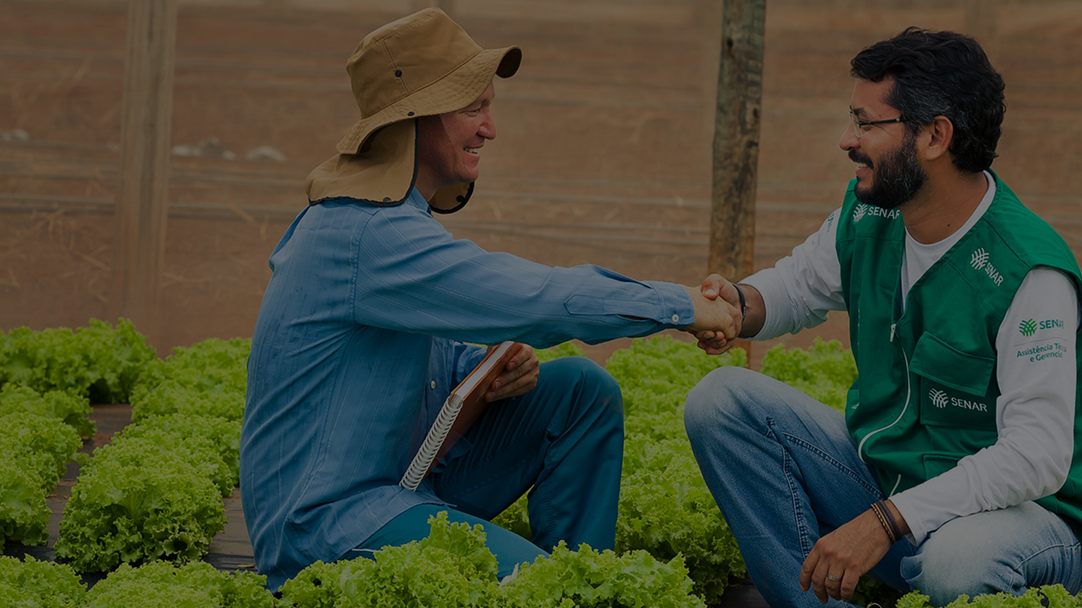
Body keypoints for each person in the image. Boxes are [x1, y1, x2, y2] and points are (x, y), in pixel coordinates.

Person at [240, 9, 740, 591]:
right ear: (415, 118)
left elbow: (412, 363)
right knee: (537, 585)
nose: (490, 128)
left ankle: (585, 582)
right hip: (326, 524)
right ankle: (558, 591)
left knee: (579, 392)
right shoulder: (363, 234)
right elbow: (538, 299)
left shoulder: (391, 220)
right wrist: (677, 304)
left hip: (400, 482)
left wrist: (485, 370)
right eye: (473, 108)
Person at [684, 28, 1082, 607]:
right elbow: (797, 285)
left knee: (955, 565)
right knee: (721, 402)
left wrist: (886, 521)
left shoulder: (1027, 273)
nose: (846, 140)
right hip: (895, 490)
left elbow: (1036, 458)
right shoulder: (876, 214)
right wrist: (737, 303)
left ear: (936, 136)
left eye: (867, 123)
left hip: (1026, 524)